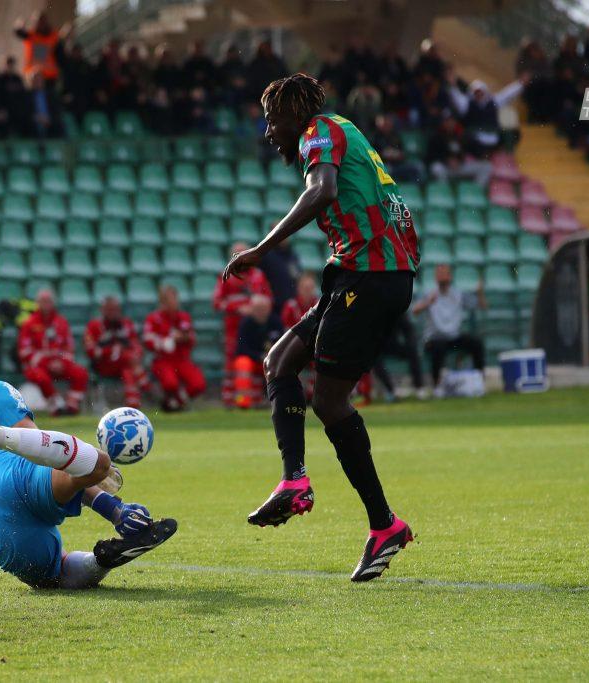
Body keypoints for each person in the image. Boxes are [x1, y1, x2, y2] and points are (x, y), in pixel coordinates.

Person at [222, 73, 420, 581]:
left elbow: (322, 191)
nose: (269, 133)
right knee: (278, 362)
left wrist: (261, 253)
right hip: (363, 274)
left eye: (272, 121)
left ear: (294, 114)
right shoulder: (343, 131)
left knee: (329, 400)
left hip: (370, 276)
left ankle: (383, 525)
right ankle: (295, 481)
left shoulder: (319, 131)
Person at [0, 337, 177, 588]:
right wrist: (115, 509)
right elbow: (40, 449)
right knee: (98, 461)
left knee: (57, 575)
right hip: (2, 478)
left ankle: (100, 562)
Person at [213, 241, 272, 406]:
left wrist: (258, 309)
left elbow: (268, 299)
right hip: (233, 328)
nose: (241, 258)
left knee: (257, 361)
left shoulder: (258, 276)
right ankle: (230, 400)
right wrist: (239, 308)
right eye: (236, 255)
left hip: (255, 329)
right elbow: (217, 303)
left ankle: (253, 399)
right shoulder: (226, 275)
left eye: (243, 254)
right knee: (232, 364)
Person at [412, 264, 486, 390]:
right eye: (439, 274)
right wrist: (427, 303)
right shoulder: (430, 294)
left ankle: (479, 380)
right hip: (434, 338)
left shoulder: (457, 294)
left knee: (476, 343)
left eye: (444, 274)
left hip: (453, 337)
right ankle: (436, 385)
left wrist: (479, 293)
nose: (442, 277)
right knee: (438, 347)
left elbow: (481, 305)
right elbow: (414, 310)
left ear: (450, 276)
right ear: (436, 278)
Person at [17, 289, 88, 416]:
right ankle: (56, 406)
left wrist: (61, 362)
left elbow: (69, 347)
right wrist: (47, 362)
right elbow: (24, 351)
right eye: (43, 301)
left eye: (48, 301)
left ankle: (72, 406)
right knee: (41, 377)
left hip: (61, 363)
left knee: (80, 373)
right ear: (37, 303)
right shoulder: (29, 323)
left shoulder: (61, 322)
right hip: (37, 366)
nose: (46, 304)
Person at [143, 285, 206, 412]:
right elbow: (148, 341)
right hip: (163, 360)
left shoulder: (183, 317)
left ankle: (176, 403)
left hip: (182, 359)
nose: (174, 302)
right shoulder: (153, 318)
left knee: (198, 383)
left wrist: (182, 338)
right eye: (171, 299)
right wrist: (167, 340)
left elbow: (192, 338)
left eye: (175, 298)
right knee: (170, 383)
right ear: (163, 302)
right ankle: (172, 403)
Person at [84, 296, 150, 409]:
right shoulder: (94, 326)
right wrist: (112, 351)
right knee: (128, 360)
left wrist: (133, 354)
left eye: (116, 309)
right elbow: (91, 351)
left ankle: (132, 405)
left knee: (128, 370)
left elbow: (137, 345)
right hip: (104, 365)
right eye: (110, 310)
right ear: (103, 310)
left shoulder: (126, 324)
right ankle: (145, 384)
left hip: (125, 364)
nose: (113, 313)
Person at [232, 295, 283, 409]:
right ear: (252, 309)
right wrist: (260, 356)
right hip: (254, 361)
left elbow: (282, 345)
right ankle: (243, 403)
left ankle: (278, 400)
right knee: (242, 363)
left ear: (269, 309)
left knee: (281, 364)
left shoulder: (276, 322)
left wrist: (269, 356)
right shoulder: (245, 324)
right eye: (257, 309)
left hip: (271, 361)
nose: (260, 312)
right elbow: (241, 349)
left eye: (263, 309)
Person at [14, 12, 63, 87]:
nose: (40, 24)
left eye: (42, 21)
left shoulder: (54, 36)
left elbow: (60, 55)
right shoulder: (31, 36)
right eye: (37, 22)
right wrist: (19, 24)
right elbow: (18, 32)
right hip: (33, 77)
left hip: (50, 77)